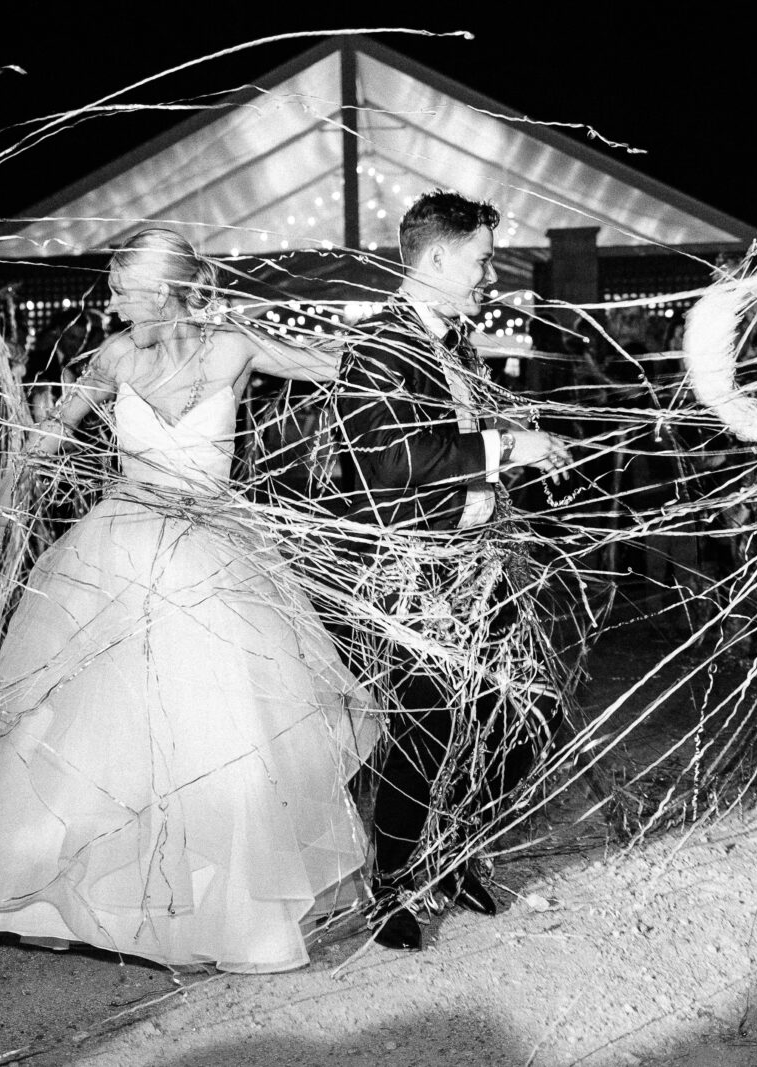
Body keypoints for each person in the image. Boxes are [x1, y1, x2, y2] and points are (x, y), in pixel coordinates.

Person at [0, 228, 377, 974]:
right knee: (106, 722)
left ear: (165, 290)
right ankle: (95, 888)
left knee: (216, 723)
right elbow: (50, 432)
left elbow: (344, 368)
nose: (111, 302)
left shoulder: (232, 346)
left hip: (213, 545)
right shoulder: (114, 358)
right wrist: (20, 447)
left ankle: (218, 906)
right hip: (122, 546)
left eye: (123, 288)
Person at [333, 189, 572, 952]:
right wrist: (505, 450)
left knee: (528, 711)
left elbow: (460, 433)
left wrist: (517, 436)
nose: (489, 277)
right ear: (436, 259)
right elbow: (392, 458)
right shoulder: (376, 348)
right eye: (481, 261)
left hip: (477, 563)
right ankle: (395, 887)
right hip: (412, 569)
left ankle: (455, 849)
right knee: (426, 728)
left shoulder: (459, 344)